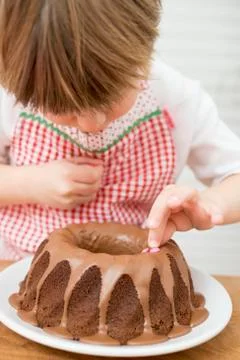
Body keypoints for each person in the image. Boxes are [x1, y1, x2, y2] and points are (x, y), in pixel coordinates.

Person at [0, 0, 239, 260]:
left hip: (130, 279)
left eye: (111, 101)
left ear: (145, 52)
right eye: (65, 110)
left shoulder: (178, 100)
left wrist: (209, 204)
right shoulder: (13, 94)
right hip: (20, 266)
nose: (93, 126)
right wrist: (29, 183)